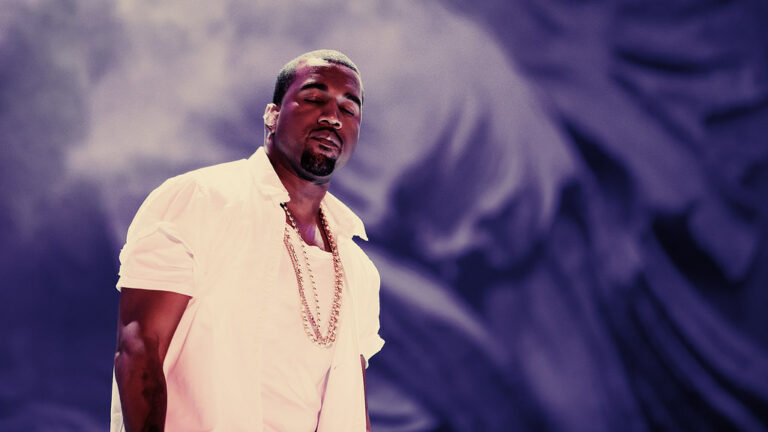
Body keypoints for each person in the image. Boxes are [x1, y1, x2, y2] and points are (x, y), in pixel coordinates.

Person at [110, 49, 384, 432]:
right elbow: (140, 346)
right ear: (272, 115)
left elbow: (353, 403)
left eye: (349, 108)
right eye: (314, 98)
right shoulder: (197, 200)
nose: (332, 117)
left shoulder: (358, 269)